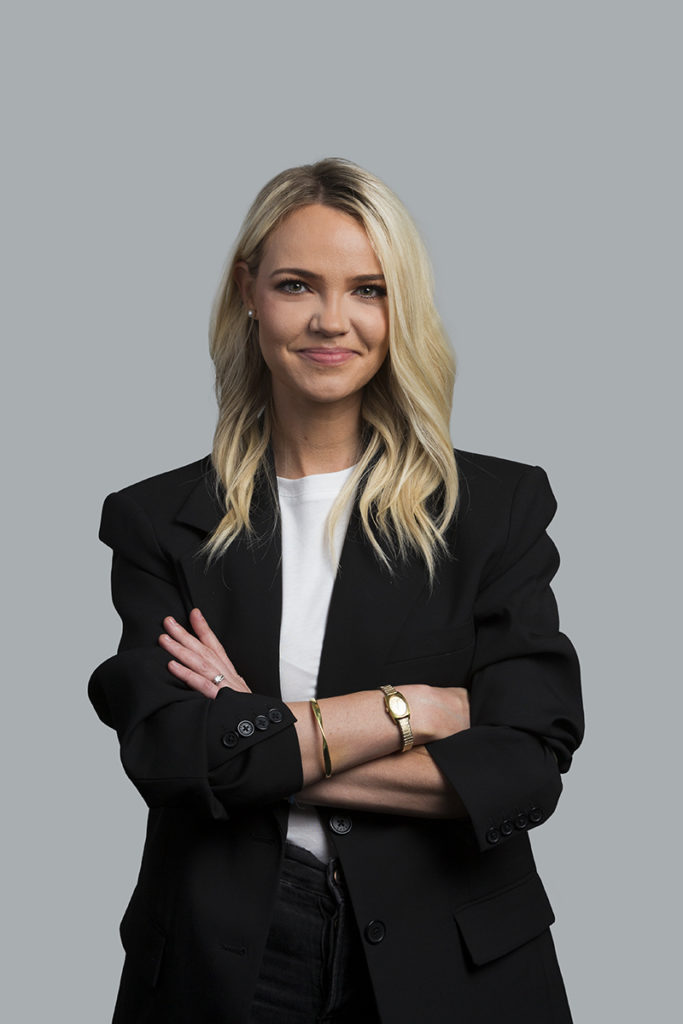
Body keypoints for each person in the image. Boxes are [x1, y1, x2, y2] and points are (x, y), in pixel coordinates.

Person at [89, 157, 584, 1024]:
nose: (331, 320)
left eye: (367, 289)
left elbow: (523, 769)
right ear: (248, 292)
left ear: (401, 308)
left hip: (451, 952)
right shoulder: (156, 519)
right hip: (225, 951)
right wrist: (414, 711)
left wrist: (251, 736)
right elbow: (168, 755)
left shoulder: (496, 510)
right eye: (295, 284)